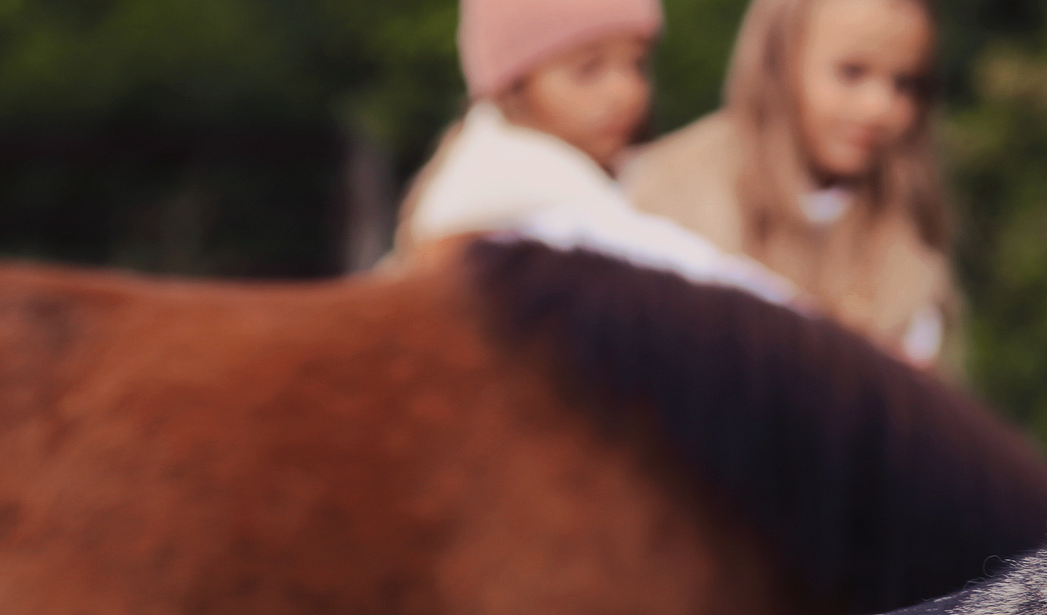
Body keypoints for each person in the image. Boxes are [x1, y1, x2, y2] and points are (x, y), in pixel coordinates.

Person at [622, 0, 955, 367]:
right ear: (777, 62)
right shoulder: (667, 192)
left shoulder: (906, 241)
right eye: (851, 72)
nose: (879, 107)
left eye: (906, 84)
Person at [393, 0, 793, 301]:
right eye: (588, 70)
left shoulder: (476, 170)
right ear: (512, 88)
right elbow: (689, 275)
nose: (625, 93)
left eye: (636, 64)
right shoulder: (523, 195)